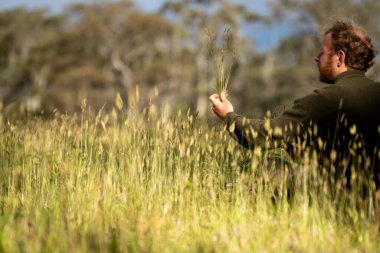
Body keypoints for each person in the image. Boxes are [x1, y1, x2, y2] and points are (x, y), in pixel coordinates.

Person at [209, 20, 380, 183]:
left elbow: (261, 136)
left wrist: (228, 116)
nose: (317, 58)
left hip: (336, 197)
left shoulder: (326, 99)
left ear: (340, 58)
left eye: (322, 52)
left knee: (269, 164)